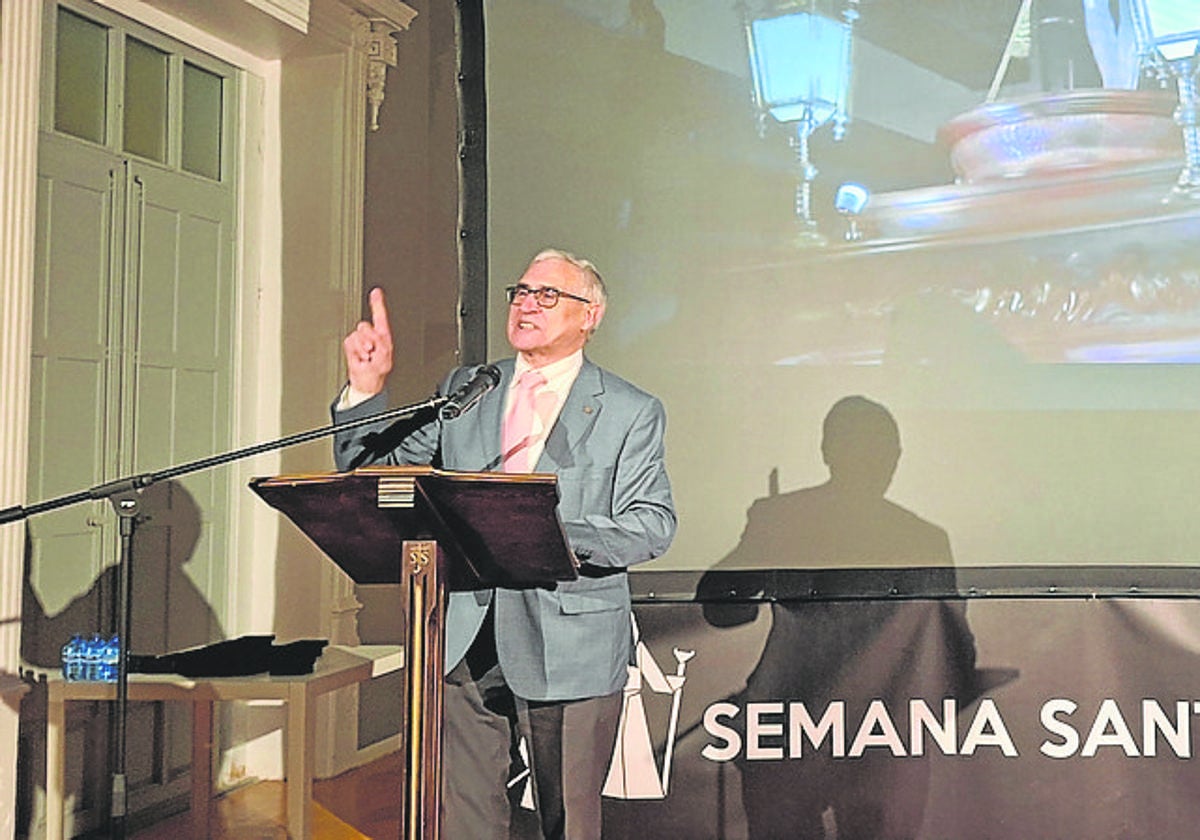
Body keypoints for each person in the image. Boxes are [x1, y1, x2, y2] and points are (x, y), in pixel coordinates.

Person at [332, 248, 676, 839]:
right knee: (464, 821)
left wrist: (542, 530)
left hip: (570, 642)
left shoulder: (628, 410)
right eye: (520, 292)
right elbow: (377, 471)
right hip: (465, 633)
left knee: (567, 821)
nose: (526, 305)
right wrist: (366, 392)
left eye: (548, 295)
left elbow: (652, 523)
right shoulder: (468, 389)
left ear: (590, 314)